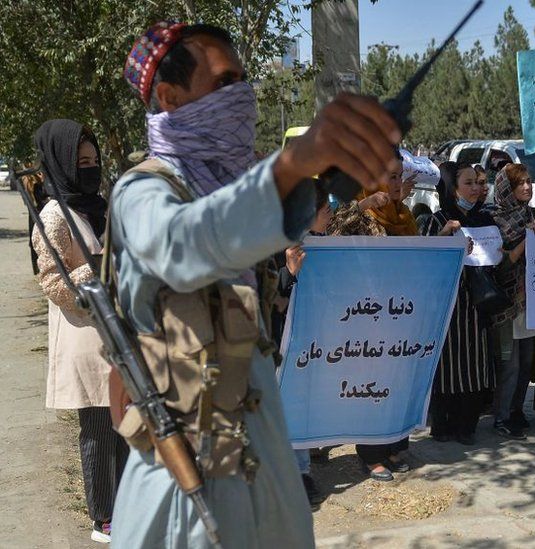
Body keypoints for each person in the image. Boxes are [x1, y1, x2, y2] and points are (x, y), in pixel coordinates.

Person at [109, 21, 399, 547]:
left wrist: (330, 173)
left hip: (261, 460)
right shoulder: (141, 192)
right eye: (224, 82)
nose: (242, 96)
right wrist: (291, 164)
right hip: (186, 478)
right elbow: (185, 245)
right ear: (170, 97)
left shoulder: (234, 187)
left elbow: (257, 223)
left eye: (244, 80)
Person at [31, 119, 129, 544]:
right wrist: (98, 267)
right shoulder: (54, 215)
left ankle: (129, 503)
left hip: (118, 331)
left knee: (126, 423)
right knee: (97, 430)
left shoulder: (101, 206)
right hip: (85, 334)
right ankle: (103, 516)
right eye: (80, 162)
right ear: (62, 165)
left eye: (94, 161)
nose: (89, 168)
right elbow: (52, 280)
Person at [349, 149, 416, 479]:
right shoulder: (359, 213)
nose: (397, 183)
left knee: (398, 378)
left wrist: (447, 240)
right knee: (372, 381)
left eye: (400, 176)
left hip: (401, 312)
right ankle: (371, 452)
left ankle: (395, 443)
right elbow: (329, 232)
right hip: (368, 314)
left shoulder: (402, 213)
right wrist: (364, 206)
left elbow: (417, 254)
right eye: (391, 176)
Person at [422, 161, 494, 445]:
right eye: (468, 183)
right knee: (448, 367)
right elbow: (424, 261)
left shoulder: (485, 220)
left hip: (477, 307)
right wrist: (444, 240)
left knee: (474, 366)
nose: (475, 188)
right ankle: (443, 424)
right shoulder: (437, 221)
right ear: (452, 189)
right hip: (447, 307)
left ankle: (468, 425)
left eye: (477, 182)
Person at [274, 182, 333, 507]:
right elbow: (273, 297)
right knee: (287, 405)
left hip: (315, 339)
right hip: (283, 342)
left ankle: (303, 470)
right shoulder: (278, 244)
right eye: (325, 209)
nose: (330, 214)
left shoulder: (324, 243)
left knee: (303, 402)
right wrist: (289, 272)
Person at [488, 163, 535, 438]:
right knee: (509, 365)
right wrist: (526, 240)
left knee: (526, 362)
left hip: (531, 302)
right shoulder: (495, 222)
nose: (527, 187)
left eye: (529, 181)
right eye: (520, 183)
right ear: (506, 189)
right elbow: (500, 266)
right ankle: (500, 417)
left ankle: (516, 410)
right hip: (508, 305)